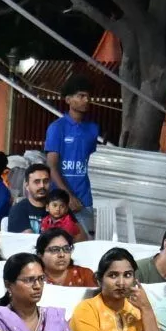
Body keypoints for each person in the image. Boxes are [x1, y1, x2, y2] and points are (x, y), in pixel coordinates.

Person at [43, 87, 101, 230]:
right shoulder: (57, 128)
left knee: (86, 241)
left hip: (85, 200)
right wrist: (68, 196)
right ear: (68, 100)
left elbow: (91, 163)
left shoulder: (93, 129)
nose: (86, 100)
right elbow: (51, 166)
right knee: (59, 240)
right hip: (60, 201)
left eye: (88, 96)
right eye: (81, 96)